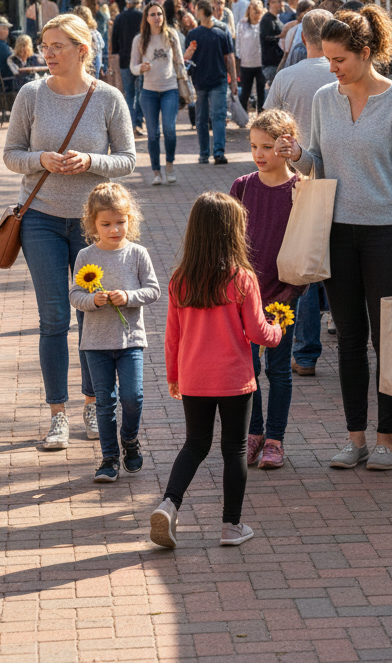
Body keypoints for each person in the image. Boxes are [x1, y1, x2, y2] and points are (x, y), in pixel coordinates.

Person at [276, 6, 392, 472]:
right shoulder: (325, 98)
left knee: (389, 341)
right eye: (327, 58)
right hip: (337, 232)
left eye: (340, 59)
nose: (332, 68)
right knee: (348, 338)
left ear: (366, 53)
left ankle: (387, 438)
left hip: (387, 235)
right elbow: (317, 161)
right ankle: (355, 437)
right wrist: (298, 154)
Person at [3, 14, 136, 450]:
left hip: (91, 225)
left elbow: (128, 159)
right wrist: (41, 159)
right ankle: (57, 414)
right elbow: (11, 154)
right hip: (39, 217)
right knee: (54, 319)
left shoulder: (109, 98)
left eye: (58, 45)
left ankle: (93, 405)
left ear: (83, 49)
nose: (49, 53)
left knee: (91, 316)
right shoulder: (31, 94)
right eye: (45, 45)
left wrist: (91, 161)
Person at [151, 192, 283, 550]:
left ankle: (169, 503)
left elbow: (171, 336)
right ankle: (231, 525)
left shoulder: (181, 279)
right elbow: (258, 333)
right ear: (232, 232)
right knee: (235, 449)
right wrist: (278, 331)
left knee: (195, 444)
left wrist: (173, 376)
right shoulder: (241, 278)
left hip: (194, 377)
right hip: (234, 380)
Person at [229, 110, 304, 470]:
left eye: (268, 146)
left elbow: (309, 242)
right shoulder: (242, 186)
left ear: (286, 144)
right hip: (246, 296)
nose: (259, 154)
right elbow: (228, 240)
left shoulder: (301, 188)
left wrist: (295, 289)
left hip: (284, 295)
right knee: (248, 368)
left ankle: (275, 438)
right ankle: (254, 431)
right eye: (254, 146)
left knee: (278, 369)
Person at [70, 182, 159, 483]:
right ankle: (109, 458)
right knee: (104, 401)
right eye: (106, 224)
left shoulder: (137, 253)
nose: (114, 230)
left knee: (133, 397)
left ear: (129, 220)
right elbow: (75, 295)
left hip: (130, 340)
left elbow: (154, 290)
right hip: (95, 343)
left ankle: (129, 440)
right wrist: (92, 301)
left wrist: (129, 297)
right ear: (92, 224)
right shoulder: (85, 256)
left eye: (120, 222)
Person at [263, 9, 335, 367]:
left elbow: (264, 126)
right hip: (336, 178)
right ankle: (337, 322)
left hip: (295, 179)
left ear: (302, 38)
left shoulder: (287, 77)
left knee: (303, 260)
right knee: (335, 257)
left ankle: (305, 352)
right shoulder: (342, 76)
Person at [131, 0, 183, 185]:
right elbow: (132, 66)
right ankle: (156, 172)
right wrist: (140, 68)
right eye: (152, 14)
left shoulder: (171, 35)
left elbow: (179, 62)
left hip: (170, 88)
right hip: (149, 92)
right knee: (152, 134)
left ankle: (169, 166)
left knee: (169, 129)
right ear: (146, 18)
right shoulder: (139, 39)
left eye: (159, 14)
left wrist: (184, 81)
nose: (156, 18)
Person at [184, 0, 237, 165]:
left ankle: (204, 154)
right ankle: (218, 153)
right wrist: (233, 81)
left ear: (200, 12)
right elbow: (230, 59)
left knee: (202, 118)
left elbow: (185, 59)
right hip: (218, 79)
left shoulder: (193, 34)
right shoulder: (222, 32)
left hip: (200, 80)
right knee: (218, 117)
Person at [111, 0, 145, 136]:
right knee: (141, 92)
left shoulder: (119, 17)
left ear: (127, 2)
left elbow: (114, 40)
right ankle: (139, 121)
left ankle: (131, 123)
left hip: (125, 60)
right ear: (139, 2)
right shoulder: (143, 16)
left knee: (129, 93)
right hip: (142, 60)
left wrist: (117, 53)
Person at [235, 0, 266, 113]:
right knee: (245, 92)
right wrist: (239, 57)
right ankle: (243, 115)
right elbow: (238, 42)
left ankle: (261, 115)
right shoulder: (242, 25)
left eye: (258, 11)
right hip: (246, 63)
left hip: (260, 63)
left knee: (261, 91)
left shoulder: (263, 24)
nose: (256, 14)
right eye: (254, 11)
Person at [72, 5, 105, 80]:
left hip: (86, 70)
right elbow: (103, 51)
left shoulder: (84, 35)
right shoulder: (96, 33)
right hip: (96, 69)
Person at [259, 0, 284, 84]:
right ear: (271, 3)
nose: (282, 4)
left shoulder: (277, 19)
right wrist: (281, 36)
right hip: (271, 64)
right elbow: (267, 39)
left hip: (277, 63)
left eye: (282, 1)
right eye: (279, 1)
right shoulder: (267, 20)